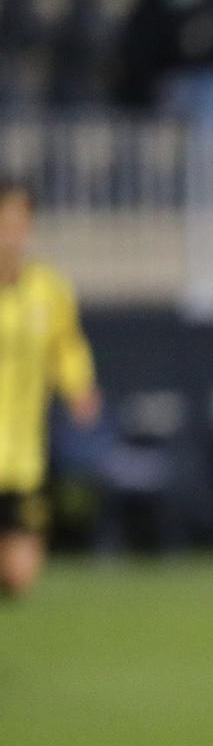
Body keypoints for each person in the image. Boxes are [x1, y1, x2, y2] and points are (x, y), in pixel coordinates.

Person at [0, 177, 102, 599]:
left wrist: (80, 388)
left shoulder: (49, 291)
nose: (11, 232)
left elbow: (67, 347)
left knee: (20, 574)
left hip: (24, 458)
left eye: (19, 221)